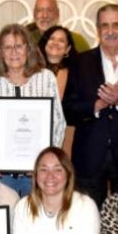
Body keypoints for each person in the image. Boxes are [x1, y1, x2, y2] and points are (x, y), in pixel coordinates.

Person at [63, 3, 118, 208]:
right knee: (88, 219)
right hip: (89, 158)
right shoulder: (80, 62)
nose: (110, 31)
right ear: (98, 29)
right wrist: (96, 105)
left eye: (116, 25)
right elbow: (67, 109)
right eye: (105, 25)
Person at [0, 23, 65, 196]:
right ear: (0, 52)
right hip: (2, 174)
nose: (14, 52)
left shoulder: (46, 78)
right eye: (8, 47)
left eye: (19, 46)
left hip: (37, 173)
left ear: (28, 48)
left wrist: (45, 163)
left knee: (35, 213)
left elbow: (58, 123)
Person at [38, 25, 79, 156]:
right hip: (35, 129)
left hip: (64, 134)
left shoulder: (76, 74)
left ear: (68, 49)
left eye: (61, 40)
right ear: (45, 43)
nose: (55, 43)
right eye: (52, 38)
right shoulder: (30, 71)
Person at [25, 0, 90, 53]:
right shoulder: (25, 40)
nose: (45, 15)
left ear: (58, 13)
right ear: (34, 14)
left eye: (50, 10)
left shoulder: (77, 41)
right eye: (40, 10)